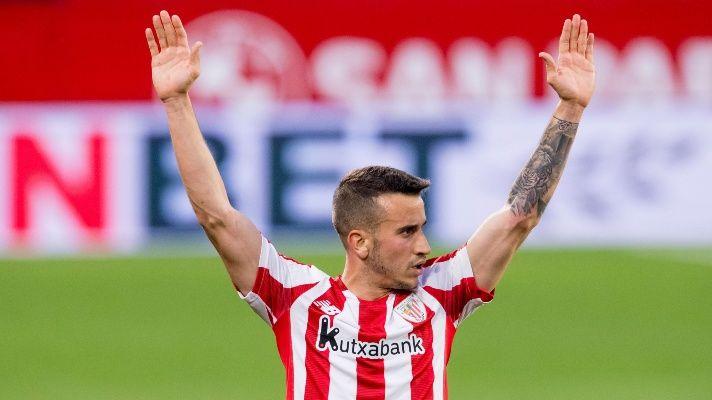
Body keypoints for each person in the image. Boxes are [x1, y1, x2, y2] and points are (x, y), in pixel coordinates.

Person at [144, 10, 595, 400]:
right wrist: (176, 101)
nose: (424, 246)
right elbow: (217, 217)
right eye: (406, 232)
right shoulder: (296, 297)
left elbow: (519, 216)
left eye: (421, 228)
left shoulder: (441, 292)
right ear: (359, 242)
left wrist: (571, 107)